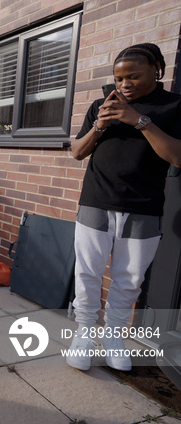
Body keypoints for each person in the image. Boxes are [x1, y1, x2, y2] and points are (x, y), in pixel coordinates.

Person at [67, 43, 181, 371]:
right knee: (87, 272)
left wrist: (139, 120)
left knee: (129, 279)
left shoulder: (173, 107)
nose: (125, 84)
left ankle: (113, 336)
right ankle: (85, 334)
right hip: (96, 201)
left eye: (133, 76)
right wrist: (99, 125)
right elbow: (77, 152)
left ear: (157, 69)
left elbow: (177, 156)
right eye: (119, 78)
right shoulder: (102, 104)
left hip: (144, 207)